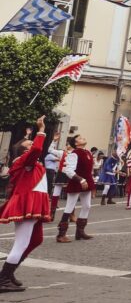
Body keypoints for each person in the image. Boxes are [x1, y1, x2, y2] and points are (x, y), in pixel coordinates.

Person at [0, 118, 51, 292]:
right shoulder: (23, 161)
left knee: (36, 240)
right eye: (30, 143)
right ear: (26, 150)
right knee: (21, 243)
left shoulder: (33, 164)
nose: (34, 145)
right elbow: (37, 148)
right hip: (26, 203)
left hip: (35, 203)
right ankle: (3, 279)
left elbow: (37, 150)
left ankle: (9, 272)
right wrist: (41, 130)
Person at [56, 133, 95, 243]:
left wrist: (89, 182)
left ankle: (80, 232)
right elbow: (68, 171)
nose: (84, 138)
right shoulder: (74, 153)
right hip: (77, 182)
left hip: (87, 182)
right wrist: (81, 179)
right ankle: (61, 234)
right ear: (76, 143)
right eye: (80, 138)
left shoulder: (87, 152)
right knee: (69, 207)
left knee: (87, 206)